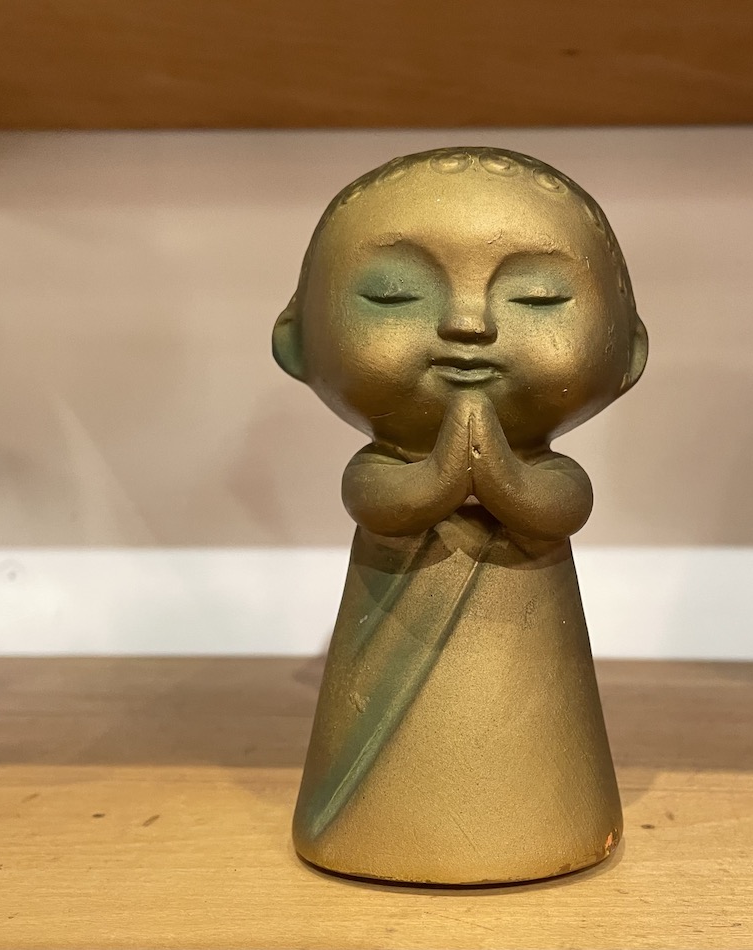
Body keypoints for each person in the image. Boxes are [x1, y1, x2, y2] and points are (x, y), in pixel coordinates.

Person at [273, 147, 647, 884]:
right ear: (295, 341)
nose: (467, 324)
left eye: (537, 298)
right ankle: (374, 827)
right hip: (386, 650)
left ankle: (550, 817)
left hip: (529, 671)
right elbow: (377, 499)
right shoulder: (380, 464)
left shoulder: (549, 470)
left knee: (538, 732)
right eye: (392, 295)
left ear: (627, 353)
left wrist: (503, 478)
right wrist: (440, 479)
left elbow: (561, 504)